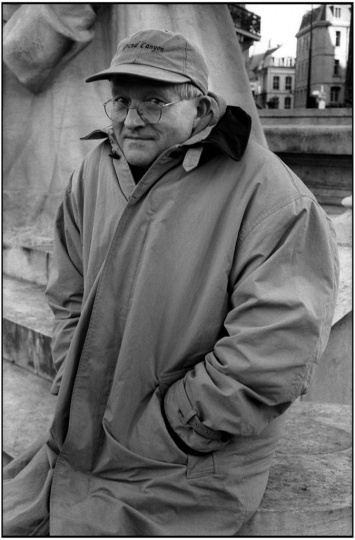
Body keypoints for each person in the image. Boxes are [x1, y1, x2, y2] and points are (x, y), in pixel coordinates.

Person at [3, 29, 339, 536]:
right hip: (81, 437)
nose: (131, 118)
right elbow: (67, 291)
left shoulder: (273, 197)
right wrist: (73, 375)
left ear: (201, 107)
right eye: (120, 101)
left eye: (155, 102)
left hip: (185, 466)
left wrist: (171, 428)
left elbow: (275, 347)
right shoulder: (97, 168)